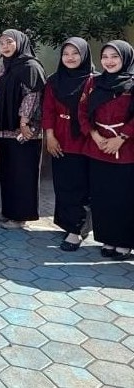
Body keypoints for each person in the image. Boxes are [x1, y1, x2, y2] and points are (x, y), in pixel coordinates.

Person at [79, 40, 134, 260]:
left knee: (124, 198)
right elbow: (82, 111)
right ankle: (108, 238)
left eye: (115, 56)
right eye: (105, 57)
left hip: (126, 149)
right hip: (98, 147)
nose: (109, 61)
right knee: (102, 197)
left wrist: (121, 138)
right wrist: (94, 135)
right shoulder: (93, 82)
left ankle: (125, 241)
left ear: (126, 58)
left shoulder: (132, 84)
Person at [43, 38, 95, 251]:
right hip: (59, 140)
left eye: (75, 53)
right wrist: (50, 136)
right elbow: (48, 110)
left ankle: (77, 230)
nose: (70, 57)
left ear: (84, 55)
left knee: (80, 186)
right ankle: (67, 223)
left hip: (84, 141)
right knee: (62, 184)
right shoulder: (54, 80)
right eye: (66, 54)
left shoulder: (94, 81)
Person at [0, 29, 46, 230]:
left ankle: (20, 216)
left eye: (9, 42)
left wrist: (24, 122)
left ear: (20, 42)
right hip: (5, 129)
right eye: (2, 43)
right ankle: (10, 211)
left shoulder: (30, 66)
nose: (5, 46)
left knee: (22, 173)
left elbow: (33, 95)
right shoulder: (5, 66)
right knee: (9, 172)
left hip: (24, 131)